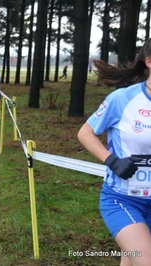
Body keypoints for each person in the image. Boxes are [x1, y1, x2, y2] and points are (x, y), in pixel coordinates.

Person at [77, 39, 151, 266]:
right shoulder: (123, 99)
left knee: (132, 259)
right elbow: (85, 133)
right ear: (149, 62)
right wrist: (112, 161)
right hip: (123, 199)